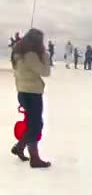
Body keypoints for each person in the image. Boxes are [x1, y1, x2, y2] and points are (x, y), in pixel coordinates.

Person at [10, 28, 52, 168]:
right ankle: (34, 158)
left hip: (22, 92)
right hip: (32, 93)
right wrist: (45, 56)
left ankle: (20, 147)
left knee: (33, 123)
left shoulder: (18, 53)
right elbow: (45, 72)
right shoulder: (30, 56)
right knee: (36, 125)